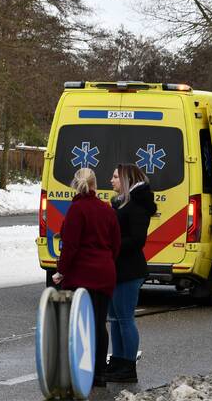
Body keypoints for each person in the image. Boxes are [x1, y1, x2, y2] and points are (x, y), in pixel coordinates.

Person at [52, 167, 120, 387]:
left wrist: (61, 271)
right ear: (95, 185)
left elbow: (70, 246)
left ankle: (83, 371)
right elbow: (116, 244)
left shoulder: (76, 210)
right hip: (104, 274)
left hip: (81, 275)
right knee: (100, 324)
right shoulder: (107, 209)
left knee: (81, 326)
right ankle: (100, 372)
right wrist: (106, 261)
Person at [106, 164, 156, 384]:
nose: (111, 180)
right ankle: (117, 362)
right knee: (115, 319)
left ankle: (128, 366)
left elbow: (137, 240)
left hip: (129, 270)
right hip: (117, 268)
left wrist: (112, 245)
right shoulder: (122, 203)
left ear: (126, 180)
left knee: (125, 319)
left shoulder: (136, 206)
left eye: (116, 177)